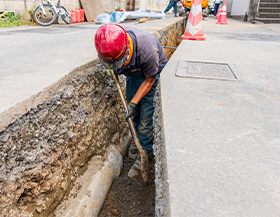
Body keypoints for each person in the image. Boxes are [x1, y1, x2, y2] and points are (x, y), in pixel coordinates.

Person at [94, 24, 167, 178]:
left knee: (145, 120)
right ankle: (136, 144)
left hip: (150, 76)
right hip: (133, 72)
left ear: (127, 50)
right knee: (133, 116)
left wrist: (133, 103)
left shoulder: (147, 51)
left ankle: (145, 155)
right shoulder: (109, 42)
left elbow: (149, 80)